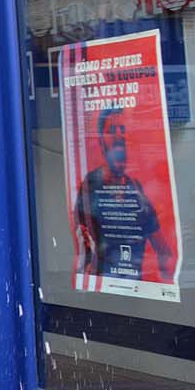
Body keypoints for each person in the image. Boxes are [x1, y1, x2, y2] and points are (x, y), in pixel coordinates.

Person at [73, 106, 173, 284]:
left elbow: (163, 251)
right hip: (102, 289)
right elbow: (79, 238)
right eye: (111, 130)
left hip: (135, 291)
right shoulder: (91, 185)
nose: (119, 136)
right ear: (101, 141)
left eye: (123, 130)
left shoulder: (135, 190)